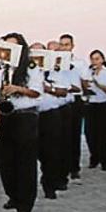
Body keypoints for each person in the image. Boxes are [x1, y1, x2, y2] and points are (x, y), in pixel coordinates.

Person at [0, 33, 42, 212]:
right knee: (6, 160)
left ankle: (25, 202)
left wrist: (17, 89)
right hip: (6, 115)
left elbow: (36, 92)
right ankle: (12, 195)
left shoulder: (31, 67)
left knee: (25, 161)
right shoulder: (1, 67)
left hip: (25, 116)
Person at [36, 42, 68, 199]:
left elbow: (64, 91)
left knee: (51, 153)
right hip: (31, 116)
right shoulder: (26, 72)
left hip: (50, 115)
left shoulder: (55, 71)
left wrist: (49, 88)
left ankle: (49, 185)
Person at [82, 50, 106, 170]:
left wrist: (97, 84)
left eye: (97, 59)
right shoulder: (88, 72)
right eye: (92, 59)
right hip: (91, 104)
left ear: (102, 59)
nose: (94, 62)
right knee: (91, 133)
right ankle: (94, 157)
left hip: (104, 105)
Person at [59, 34, 86, 179]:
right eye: (62, 45)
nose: (64, 48)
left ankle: (74, 167)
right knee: (62, 136)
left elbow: (85, 82)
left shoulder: (80, 63)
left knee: (74, 135)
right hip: (61, 101)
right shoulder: (55, 63)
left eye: (67, 45)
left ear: (72, 46)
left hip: (75, 100)